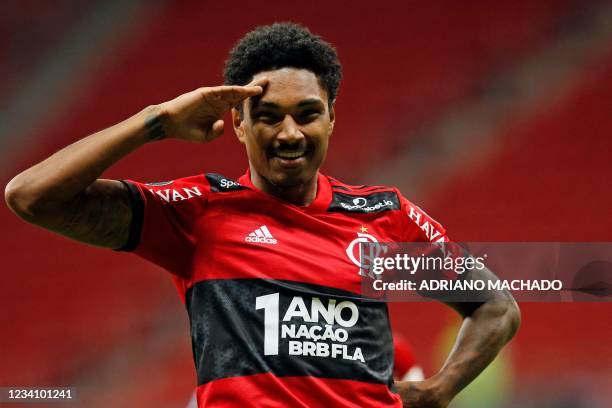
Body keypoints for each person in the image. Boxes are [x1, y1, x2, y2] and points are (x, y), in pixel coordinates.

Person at [5, 23, 520, 407]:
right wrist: (156, 121)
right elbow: (31, 196)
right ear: (238, 124)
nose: (290, 134)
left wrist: (437, 391)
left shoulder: (386, 217)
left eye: (308, 114)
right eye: (269, 116)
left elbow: (495, 306)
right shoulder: (199, 212)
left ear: (332, 118)